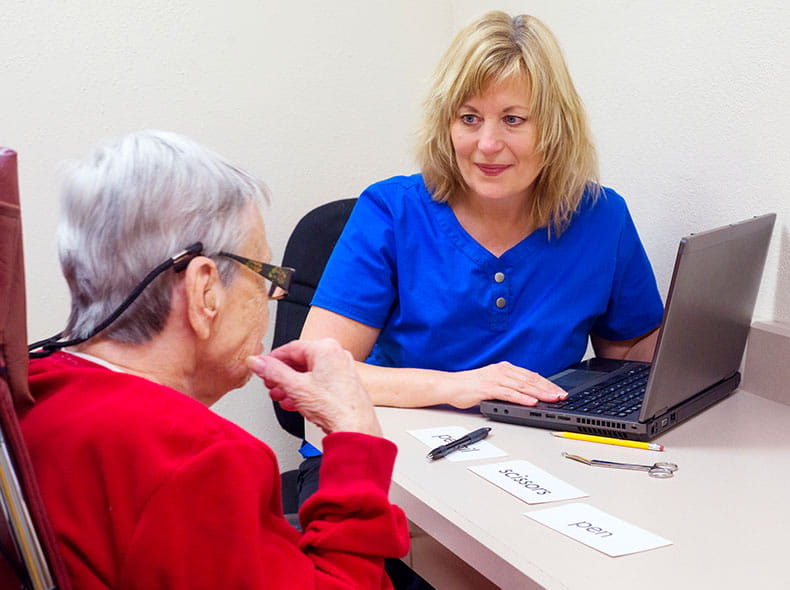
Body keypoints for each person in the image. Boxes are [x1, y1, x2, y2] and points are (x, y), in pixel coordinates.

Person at [21, 130, 409, 589]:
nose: (277, 293)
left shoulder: (33, 386)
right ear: (205, 290)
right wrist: (356, 438)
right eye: (264, 273)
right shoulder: (197, 462)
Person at [301, 11, 664, 409]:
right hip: (393, 449)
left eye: (513, 119)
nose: (487, 144)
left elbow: (631, 358)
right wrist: (459, 387)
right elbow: (316, 371)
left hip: (533, 452)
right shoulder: (391, 212)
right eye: (470, 118)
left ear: (556, 127)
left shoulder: (601, 218)